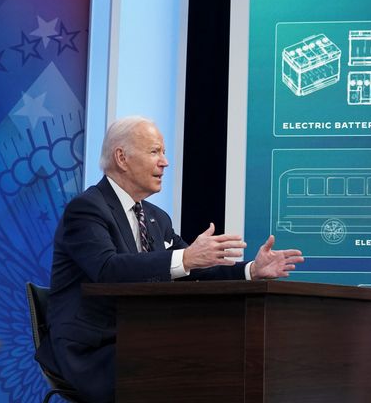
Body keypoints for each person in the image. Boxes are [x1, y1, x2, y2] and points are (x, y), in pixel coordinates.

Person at [35, 116, 303, 402]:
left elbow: (193, 270)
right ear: (122, 158)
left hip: (143, 340)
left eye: (163, 152)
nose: (165, 162)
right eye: (155, 152)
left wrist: (251, 270)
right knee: (192, 368)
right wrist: (185, 258)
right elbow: (107, 268)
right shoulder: (87, 209)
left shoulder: (155, 217)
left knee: (216, 359)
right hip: (94, 349)